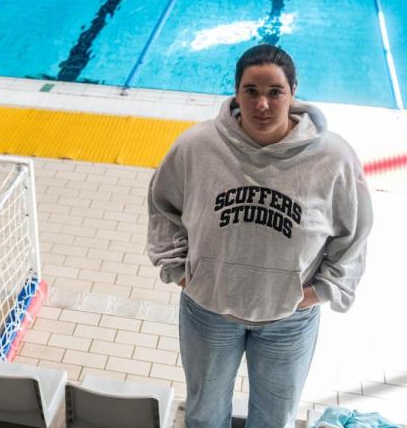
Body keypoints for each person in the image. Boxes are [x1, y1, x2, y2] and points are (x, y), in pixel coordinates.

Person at [147, 44, 373, 428]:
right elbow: (162, 207)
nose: (262, 104)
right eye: (251, 91)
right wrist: (183, 273)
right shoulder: (197, 147)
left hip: (289, 318)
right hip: (208, 312)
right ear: (236, 93)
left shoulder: (334, 159)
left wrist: (316, 293)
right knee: (203, 415)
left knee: (274, 420)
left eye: (274, 91)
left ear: (293, 92)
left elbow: (354, 235)